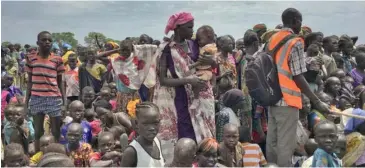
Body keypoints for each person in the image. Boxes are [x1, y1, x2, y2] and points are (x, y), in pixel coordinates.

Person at [265, 8, 330, 167]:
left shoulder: (272, 38)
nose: (300, 24)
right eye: (299, 21)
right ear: (295, 21)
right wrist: (316, 101)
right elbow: (298, 75)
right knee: (286, 144)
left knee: (272, 141)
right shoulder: (296, 41)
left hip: (271, 97)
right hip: (288, 99)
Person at [154, 12, 215, 163]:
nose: (192, 31)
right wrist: (188, 80)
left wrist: (211, 61)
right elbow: (162, 80)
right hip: (177, 99)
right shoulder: (166, 49)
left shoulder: (194, 44)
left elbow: (210, 65)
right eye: (189, 27)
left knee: (201, 135)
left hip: (198, 97)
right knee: (183, 133)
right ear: (178, 28)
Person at [25, 31, 66, 152]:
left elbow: (61, 83)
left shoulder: (57, 59)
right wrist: (25, 104)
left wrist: (64, 103)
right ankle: (38, 156)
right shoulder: (31, 58)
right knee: (38, 131)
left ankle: (56, 153)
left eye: (49, 40)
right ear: (38, 42)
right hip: (37, 97)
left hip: (54, 98)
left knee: (55, 131)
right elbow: (29, 83)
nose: (47, 42)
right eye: (44, 40)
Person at [121, 102, 165, 167]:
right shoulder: (132, 152)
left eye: (155, 123)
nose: (152, 128)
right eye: (146, 124)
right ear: (136, 124)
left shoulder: (157, 141)